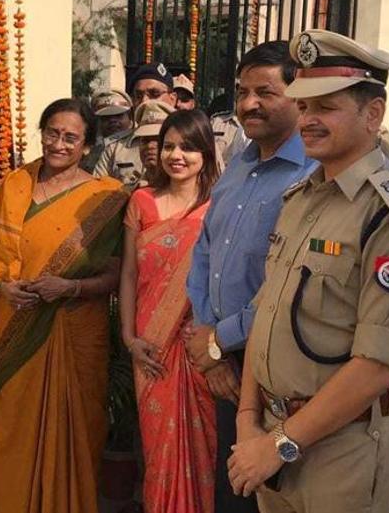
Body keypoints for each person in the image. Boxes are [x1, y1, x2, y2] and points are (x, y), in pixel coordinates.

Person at [226, 29, 389, 513]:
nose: (309, 120)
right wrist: (248, 421)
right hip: (272, 438)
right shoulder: (300, 200)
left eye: (326, 106)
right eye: (304, 107)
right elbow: (267, 314)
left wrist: (278, 445)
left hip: (344, 449)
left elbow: (379, 365)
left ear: (373, 114)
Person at [0, 98, 129, 513]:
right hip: (19, 328)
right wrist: (4, 287)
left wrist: (67, 289)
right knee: (12, 426)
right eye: (52, 133)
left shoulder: (105, 198)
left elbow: (116, 275)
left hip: (75, 330)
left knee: (75, 432)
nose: (59, 144)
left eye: (71, 137)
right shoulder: (16, 186)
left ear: (87, 145)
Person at [186, 40, 316, 513]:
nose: (247, 104)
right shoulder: (240, 164)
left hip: (282, 368)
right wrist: (210, 340)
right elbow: (204, 252)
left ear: (299, 96)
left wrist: (219, 339)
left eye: (264, 92)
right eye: (241, 91)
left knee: (282, 496)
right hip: (223, 366)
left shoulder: (316, 172)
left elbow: (291, 283)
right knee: (235, 494)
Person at [120, 109, 221, 513]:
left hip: (198, 342)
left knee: (203, 446)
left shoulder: (219, 205)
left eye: (188, 147)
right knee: (158, 447)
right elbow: (128, 274)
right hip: (149, 343)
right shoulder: (141, 201)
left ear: (206, 153)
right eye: (169, 146)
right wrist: (129, 338)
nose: (176, 155)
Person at [95, 62, 176, 185]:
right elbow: (97, 192)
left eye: (154, 94)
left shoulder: (190, 144)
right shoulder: (115, 148)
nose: (145, 101)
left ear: (172, 98)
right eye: (138, 95)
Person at [82, 88, 134, 172]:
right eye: (106, 117)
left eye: (118, 115)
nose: (113, 121)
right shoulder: (91, 150)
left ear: (130, 116)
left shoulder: (139, 147)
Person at [131, 100, 175, 188]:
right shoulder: (132, 190)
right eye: (145, 140)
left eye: (158, 140)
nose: (150, 146)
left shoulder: (186, 190)